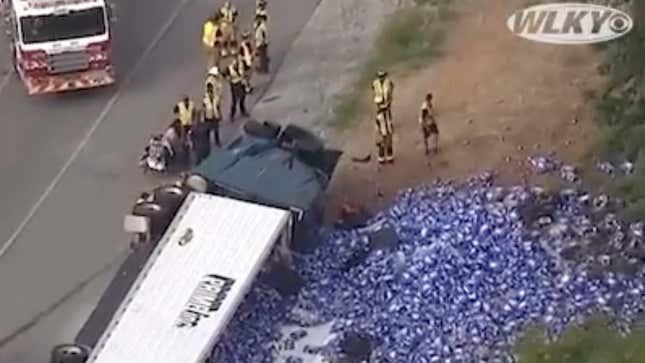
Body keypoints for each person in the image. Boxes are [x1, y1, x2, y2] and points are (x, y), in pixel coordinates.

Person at [226, 57, 248, 121]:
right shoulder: (229, 68)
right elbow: (225, 75)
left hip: (242, 83)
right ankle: (232, 115)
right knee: (234, 100)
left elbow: (245, 70)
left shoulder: (241, 64)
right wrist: (229, 79)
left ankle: (243, 110)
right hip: (234, 84)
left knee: (243, 97)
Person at [203, 82, 222, 147]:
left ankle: (217, 141)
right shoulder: (205, 97)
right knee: (208, 130)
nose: (210, 90)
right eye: (209, 89)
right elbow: (204, 107)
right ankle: (206, 142)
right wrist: (205, 117)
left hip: (215, 115)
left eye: (211, 88)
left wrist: (220, 114)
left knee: (216, 129)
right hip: (208, 116)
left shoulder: (216, 96)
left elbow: (218, 106)